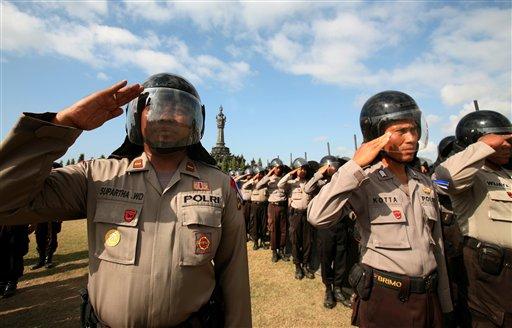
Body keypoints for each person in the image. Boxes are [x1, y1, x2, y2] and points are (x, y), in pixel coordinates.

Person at [0, 73, 251, 327]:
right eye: (156, 107)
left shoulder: (219, 186)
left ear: (196, 120)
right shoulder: (97, 175)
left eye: (179, 109)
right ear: (135, 115)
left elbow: (234, 277)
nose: (166, 116)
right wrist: (62, 125)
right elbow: (7, 201)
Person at [308, 90, 452, 327]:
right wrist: (354, 165)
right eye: (401, 131)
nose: (412, 138)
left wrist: (445, 303)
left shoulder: (425, 183)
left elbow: (438, 247)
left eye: (414, 129)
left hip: (428, 297)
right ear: (378, 137)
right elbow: (317, 216)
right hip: (386, 298)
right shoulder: (362, 180)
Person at [434, 110, 512, 327]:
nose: (505, 145)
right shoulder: (466, 177)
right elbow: (440, 182)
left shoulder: (507, 174)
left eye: (508, 140)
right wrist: (482, 148)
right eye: (499, 141)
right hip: (489, 272)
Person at [304, 155, 352, 308]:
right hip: (325, 228)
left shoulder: (341, 183)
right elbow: (306, 189)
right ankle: (328, 289)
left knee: (340, 258)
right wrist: (320, 173)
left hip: (341, 225)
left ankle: (338, 288)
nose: (332, 169)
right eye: (329, 167)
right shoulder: (319, 183)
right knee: (326, 259)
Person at [278, 158, 315, 280]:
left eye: (304, 169)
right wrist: (291, 173)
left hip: (307, 215)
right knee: (295, 241)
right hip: (295, 215)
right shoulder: (292, 182)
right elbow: (280, 184)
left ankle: (305, 265)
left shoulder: (309, 182)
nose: (302, 171)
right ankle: (297, 266)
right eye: (300, 169)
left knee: (307, 241)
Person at [255, 158, 290, 262]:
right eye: (277, 168)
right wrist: (268, 175)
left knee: (283, 230)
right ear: (273, 168)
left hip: (283, 206)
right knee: (273, 229)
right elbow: (258, 186)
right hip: (273, 206)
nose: (279, 169)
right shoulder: (269, 179)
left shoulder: (284, 178)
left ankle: (282, 251)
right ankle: (274, 252)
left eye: (280, 167)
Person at [31, 162, 63, 270]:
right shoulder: (39, 178)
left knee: (52, 237)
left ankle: (48, 260)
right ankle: (41, 259)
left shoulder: (58, 174)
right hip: (40, 213)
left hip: (53, 213)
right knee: (40, 236)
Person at [0, 224, 29, 298]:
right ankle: (2, 282)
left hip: (18, 223)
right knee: (2, 250)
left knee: (16, 250)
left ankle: (12, 282)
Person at [236, 167, 254, 240]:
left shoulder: (253, 182)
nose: (250, 176)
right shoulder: (242, 182)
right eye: (249, 175)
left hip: (251, 202)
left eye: (251, 175)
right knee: (245, 219)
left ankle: (251, 234)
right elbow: (235, 179)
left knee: (251, 219)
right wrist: (245, 175)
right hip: (244, 203)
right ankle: (245, 234)